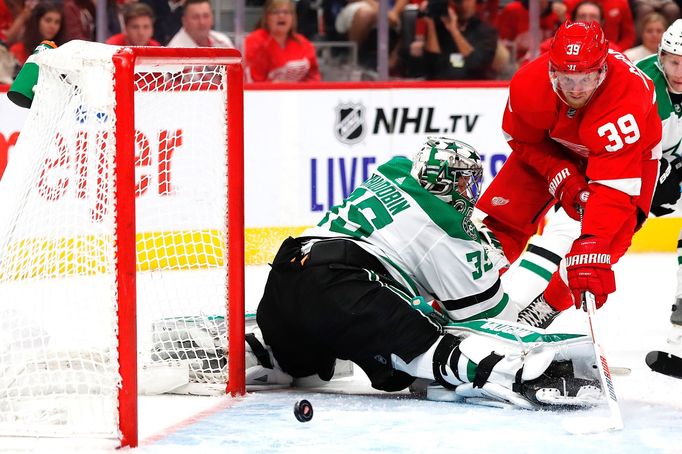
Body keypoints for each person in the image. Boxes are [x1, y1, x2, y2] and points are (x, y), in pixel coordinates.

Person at [246, 137, 602, 409]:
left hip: (286, 274)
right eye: (464, 184)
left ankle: (259, 351)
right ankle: (519, 377)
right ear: (450, 185)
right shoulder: (447, 234)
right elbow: (501, 325)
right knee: (430, 349)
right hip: (344, 287)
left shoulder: (393, 169)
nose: (468, 191)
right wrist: (556, 295)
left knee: (305, 372)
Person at [475, 21, 662, 328]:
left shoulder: (627, 95)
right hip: (554, 146)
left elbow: (612, 188)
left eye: (586, 78)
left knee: (605, 247)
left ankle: (544, 308)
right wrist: (559, 172)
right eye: (567, 77)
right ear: (552, 70)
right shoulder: (528, 83)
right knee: (503, 219)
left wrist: (592, 241)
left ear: (601, 70)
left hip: (631, 155)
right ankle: (461, 298)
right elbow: (521, 138)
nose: (576, 89)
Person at [636, 19, 682, 341]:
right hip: (631, 172)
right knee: (592, 240)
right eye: (674, 63)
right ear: (660, 57)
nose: (680, 72)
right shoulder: (641, 83)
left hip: (670, 168)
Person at [244, 0, 321, 82]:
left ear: (293, 17)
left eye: (286, 12)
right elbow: (253, 81)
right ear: (266, 17)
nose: (281, 16)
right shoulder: (254, 41)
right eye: (275, 12)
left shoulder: (303, 44)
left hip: (298, 94)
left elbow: (314, 78)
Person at [421, 0, 499, 80]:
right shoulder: (439, 27)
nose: (461, 4)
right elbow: (431, 63)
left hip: (471, 87)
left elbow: (476, 63)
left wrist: (454, 31)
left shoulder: (486, 31)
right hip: (440, 85)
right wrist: (431, 24)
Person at [8, 1, 63, 66]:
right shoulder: (18, 50)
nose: (52, 26)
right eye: (48, 20)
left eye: (57, 22)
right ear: (36, 22)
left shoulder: (62, 51)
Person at [167, 0, 233, 48]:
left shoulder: (224, 42)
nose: (202, 22)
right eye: (195, 17)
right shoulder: (174, 51)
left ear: (212, 18)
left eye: (206, 16)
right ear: (184, 21)